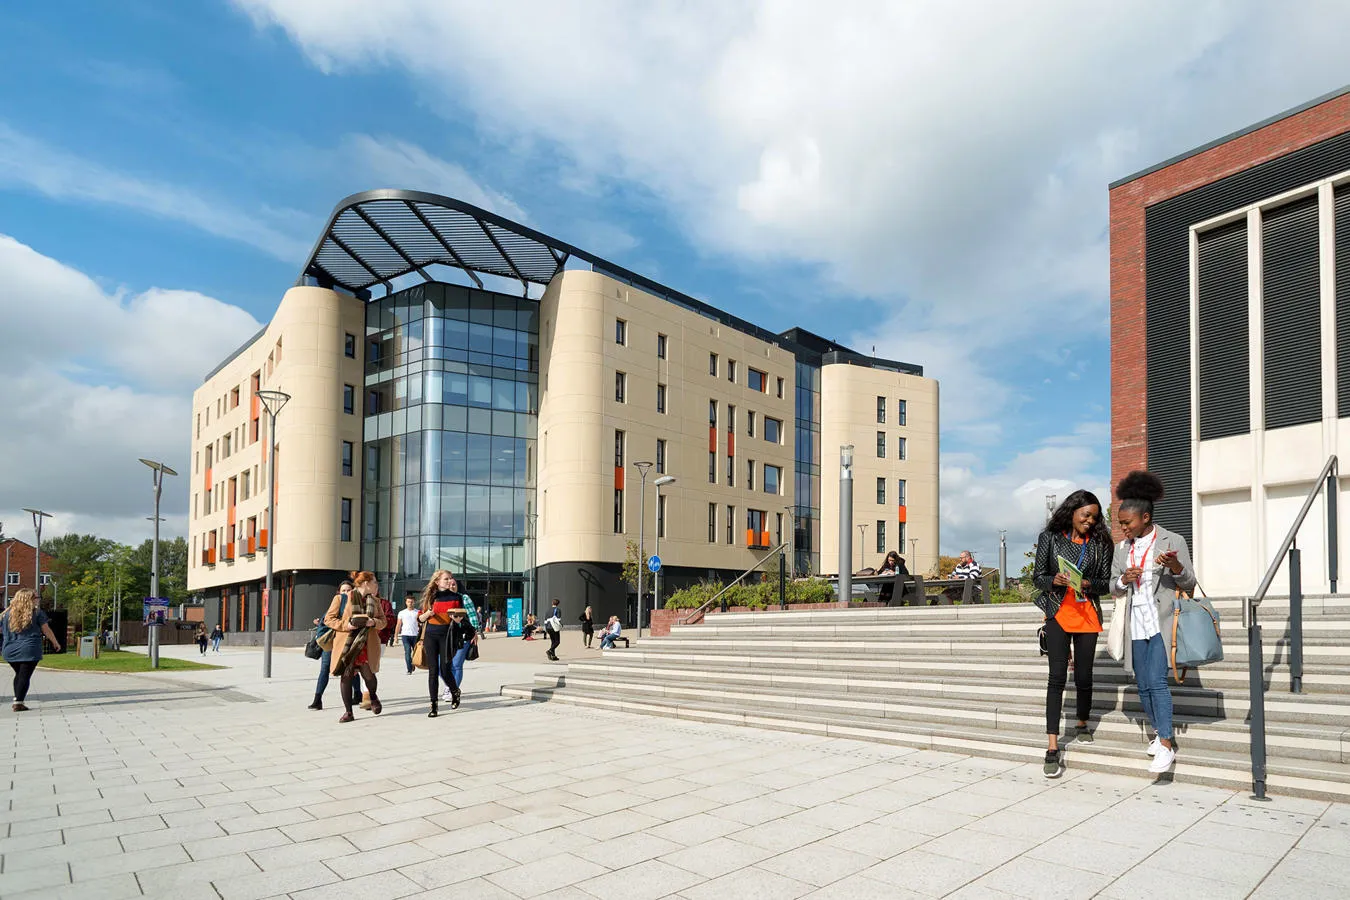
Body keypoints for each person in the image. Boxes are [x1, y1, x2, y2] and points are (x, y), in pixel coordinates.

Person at [1113, 470, 1196, 776]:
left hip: (1163, 622)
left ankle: (1166, 742)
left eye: (1127, 523)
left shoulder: (1172, 540)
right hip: (1136, 623)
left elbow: (1190, 581)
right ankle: (1159, 733)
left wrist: (1174, 565)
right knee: (1143, 683)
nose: (1123, 528)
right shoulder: (1122, 548)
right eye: (1121, 523)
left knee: (1158, 682)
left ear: (1145, 518)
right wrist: (1123, 578)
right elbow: (1112, 585)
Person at [1033, 490, 1113, 778]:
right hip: (1057, 612)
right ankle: (1052, 747)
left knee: (1083, 676)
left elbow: (1105, 583)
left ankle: (1081, 721)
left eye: (1094, 517)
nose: (1090, 521)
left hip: (1087, 614)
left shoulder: (1101, 543)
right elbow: (1037, 577)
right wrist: (1053, 579)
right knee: (1056, 678)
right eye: (1085, 515)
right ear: (1071, 512)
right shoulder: (1050, 539)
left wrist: (1087, 583)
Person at [324, 571, 385, 723]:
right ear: (366, 583)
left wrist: (373, 622)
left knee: (369, 675)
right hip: (348, 644)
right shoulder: (342, 598)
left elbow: (383, 621)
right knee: (346, 676)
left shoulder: (375, 601)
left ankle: (373, 696)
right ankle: (348, 712)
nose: (376, 585)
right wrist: (347, 625)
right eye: (375, 582)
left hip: (366, 644)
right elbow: (329, 619)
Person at [1, 589, 61, 711]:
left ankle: (17, 699)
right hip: (29, 648)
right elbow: (46, 630)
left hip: (9, 649)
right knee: (24, 675)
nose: (38, 600)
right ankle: (18, 702)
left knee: (19, 674)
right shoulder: (37, 613)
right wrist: (55, 642)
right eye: (36, 597)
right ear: (28, 599)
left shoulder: (6, 614)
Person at [418, 569, 466, 716]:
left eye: (450, 578)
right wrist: (429, 613)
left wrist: (458, 620)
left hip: (447, 635)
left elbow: (462, 618)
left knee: (445, 669)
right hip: (430, 636)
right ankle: (433, 705)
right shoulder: (430, 598)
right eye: (446, 579)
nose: (449, 581)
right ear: (437, 582)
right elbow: (420, 619)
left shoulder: (457, 597)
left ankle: (454, 691)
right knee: (433, 671)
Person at [309, 578, 355, 711]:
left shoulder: (355, 604)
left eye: (348, 590)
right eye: (343, 590)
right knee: (325, 668)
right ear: (338, 592)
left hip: (347, 641)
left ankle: (357, 694)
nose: (346, 593)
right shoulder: (337, 602)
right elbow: (328, 619)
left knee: (351, 667)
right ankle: (317, 699)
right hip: (332, 642)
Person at [397, 594, 421, 675]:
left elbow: (421, 624)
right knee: (407, 652)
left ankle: (412, 664)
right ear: (406, 602)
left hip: (415, 635)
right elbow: (398, 624)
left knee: (416, 653)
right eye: (408, 602)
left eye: (411, 602)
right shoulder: (402, 613)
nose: (410, 603)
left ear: (414, 602)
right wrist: (396, 636)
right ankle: (409, 669)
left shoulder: (418, 612)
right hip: (405, 635)